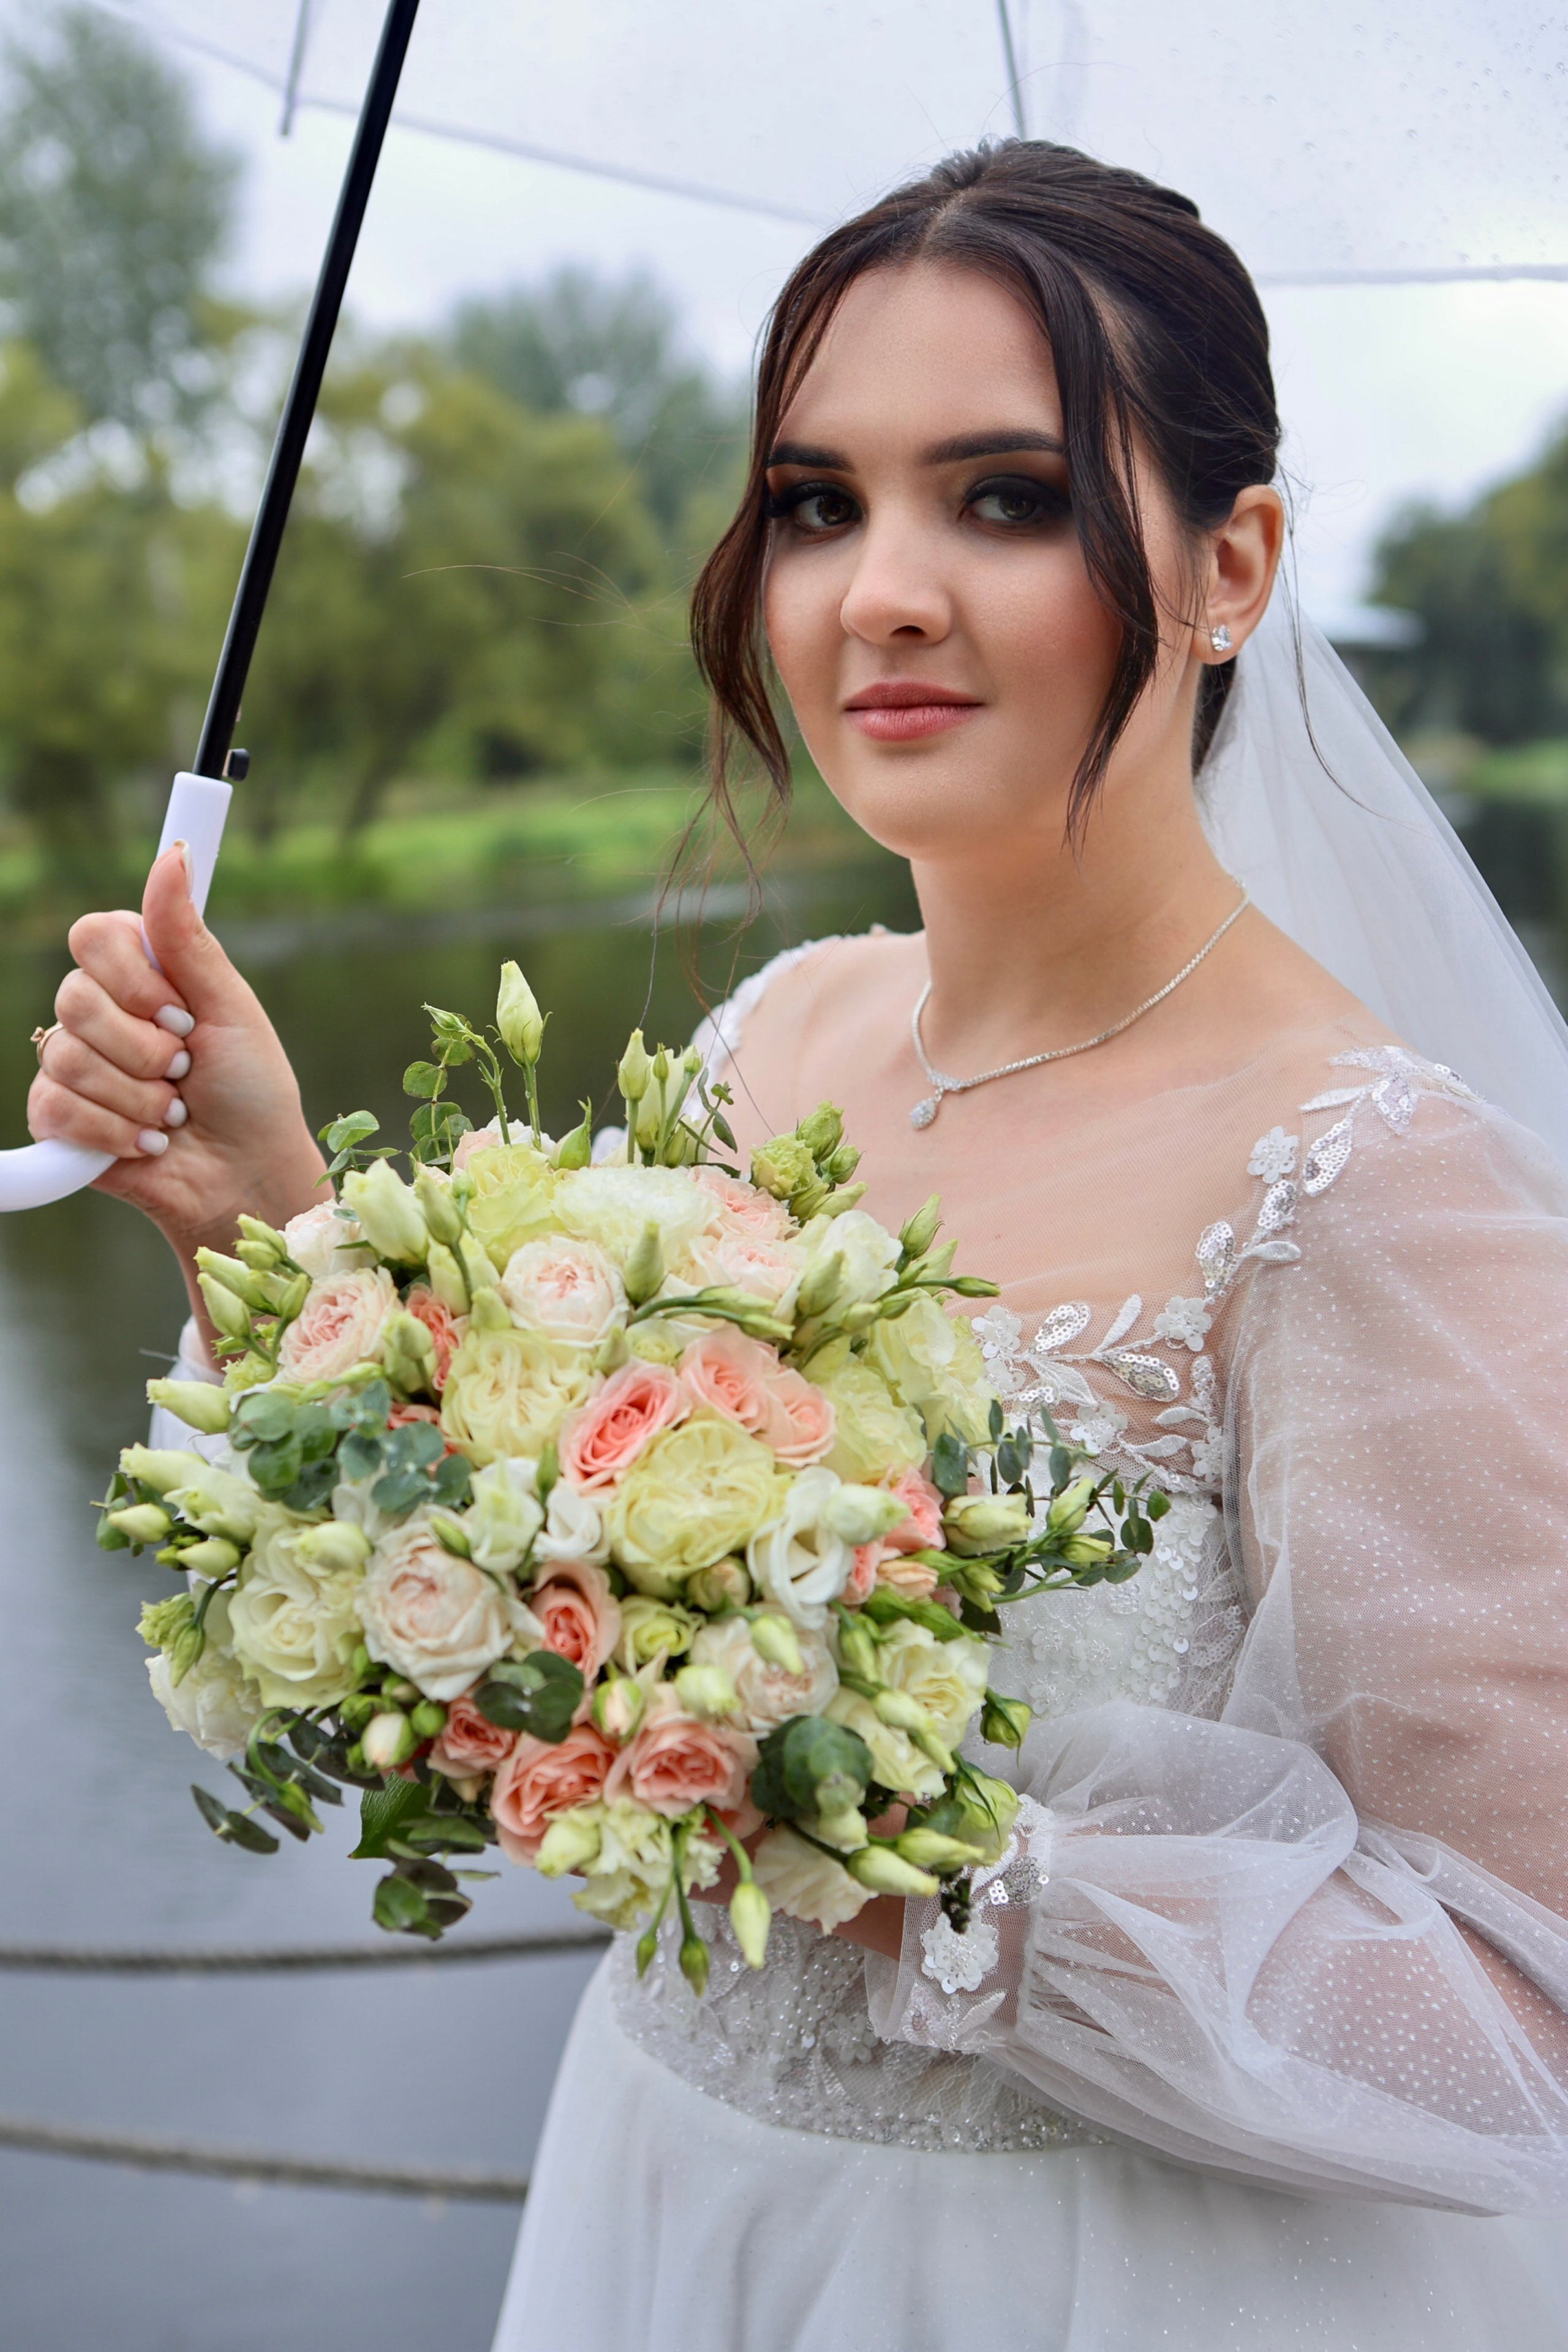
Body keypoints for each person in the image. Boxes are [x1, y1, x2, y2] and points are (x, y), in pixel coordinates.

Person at [29, 142, 1568, 2347]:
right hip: (679, 2199)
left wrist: (881, 1852)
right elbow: (524, 1562)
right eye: (820, 503)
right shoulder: (786, 1036)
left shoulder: (1373, 1187)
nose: (881, 593)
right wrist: (266, 1211)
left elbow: (1517, 2007)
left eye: (1007, 497)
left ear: (1232, 565)